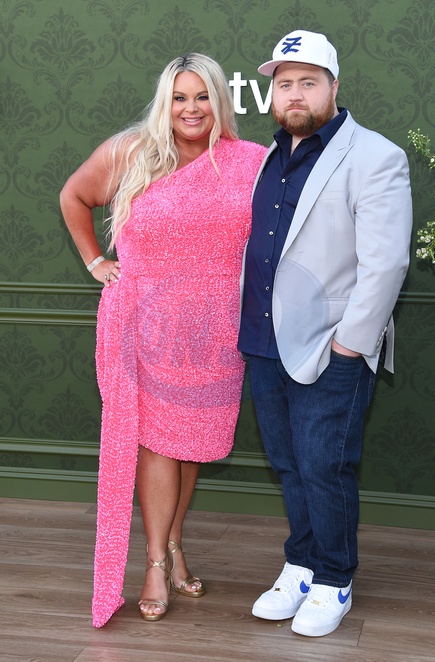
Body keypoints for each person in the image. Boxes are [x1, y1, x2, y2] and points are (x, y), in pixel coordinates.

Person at [60, 53, 266, 628]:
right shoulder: (131, 152)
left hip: (216, 331)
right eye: (179, 97)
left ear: (219, 101)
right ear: (164, 103)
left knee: (190, 443)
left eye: (202, 97)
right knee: (156, 442)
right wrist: (96, 261)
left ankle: (174, 545)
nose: (191, 109)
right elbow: (73, 195)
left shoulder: (250, 161)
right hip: (144, 324)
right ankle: (154, 563)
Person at [238, 29, 412, 637]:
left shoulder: (375, 155)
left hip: (331, 345)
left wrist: (350, 345)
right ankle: (302, 563)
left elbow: (386, 264)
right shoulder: (266, 157)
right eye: (284, 84)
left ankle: (335, 577)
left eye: (308, 82)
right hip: (263, 341)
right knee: (288, 464)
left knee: (324, 466)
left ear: (334, 87)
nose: (294, 94)